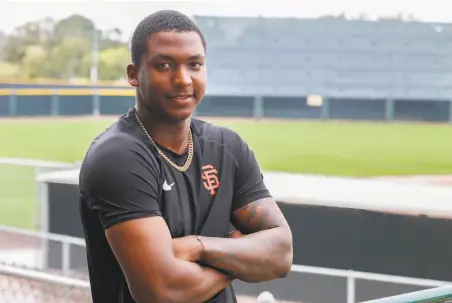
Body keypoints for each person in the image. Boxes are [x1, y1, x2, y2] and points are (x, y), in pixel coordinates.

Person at [79, 10, 293, 303]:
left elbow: (281, 254)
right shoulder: (118, 158)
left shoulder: (226, 147)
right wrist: (238, 261)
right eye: (164, 65)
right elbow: (162, 292)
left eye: (194, 64)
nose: (182, 80)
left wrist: (197, 247)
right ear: (133, 75)